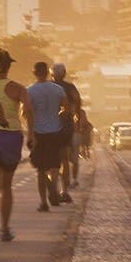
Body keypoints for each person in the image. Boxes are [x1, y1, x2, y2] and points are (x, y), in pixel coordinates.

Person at [0, 48, 27, 243]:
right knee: (6, 186)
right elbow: (28, 113)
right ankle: (5, 228)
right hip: (11, 137)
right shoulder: (18, 88)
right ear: (9, 66)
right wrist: (32, 134)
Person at [25, 61, 68, 212]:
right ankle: (54, 184)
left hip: (38, 133)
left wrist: (30, 134)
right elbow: (65, 107)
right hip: (55, 131)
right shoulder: (58, 89)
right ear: (47, 73)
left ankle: (43, 202)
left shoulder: (29, 91)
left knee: (40, 170)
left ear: (34, 73)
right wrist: (58, 117)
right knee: (55, 164)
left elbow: (27, 113)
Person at [52, 62, 81, 202]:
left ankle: (53, 189)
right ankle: (64, 190)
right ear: (64, 73)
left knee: (50, 160)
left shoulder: (47, 87)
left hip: (48, 127)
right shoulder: (70, 88)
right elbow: (77, 103)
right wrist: (76, 119)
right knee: (64, 159)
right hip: (65, 126)